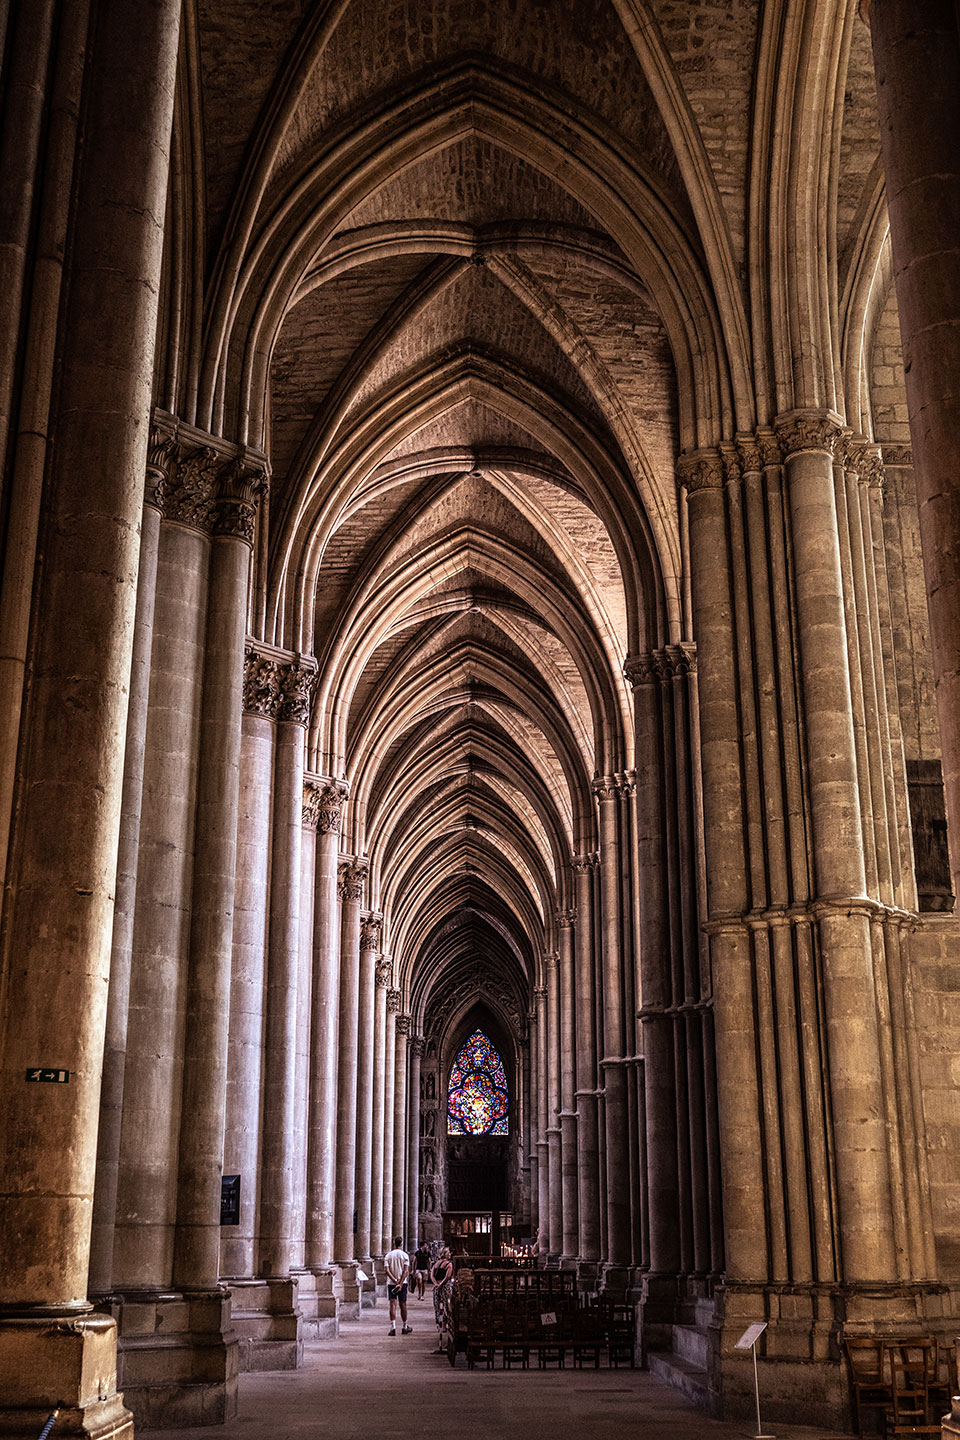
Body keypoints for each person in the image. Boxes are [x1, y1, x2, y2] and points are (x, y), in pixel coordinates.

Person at [384, 1236, 412, 1335]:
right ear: (402, 1244)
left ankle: (393, 1327)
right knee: (403, 1304)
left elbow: (387, 1271)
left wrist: (395, 1281)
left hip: (392, 1283)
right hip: (402, 1283)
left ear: (394, 1243)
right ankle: (404, 1326)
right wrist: (400, 1283)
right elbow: (406, 1271)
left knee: (392, 1304)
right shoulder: (405, 1255)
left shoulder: (388, 1255)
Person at [431, 1246, 454, 1351]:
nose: (450, 1254)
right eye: (448, 1252)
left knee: (437, 1305)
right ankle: (444, 1324)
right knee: (445, 1305)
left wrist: (436, 1284)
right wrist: (440, 1285)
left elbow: (432, 1274)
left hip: (436, 1287)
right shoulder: (449, 1264)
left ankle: (439, 1324)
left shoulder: (436, 1263)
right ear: (445, 1254)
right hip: (444, 1287)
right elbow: (448, 1276)